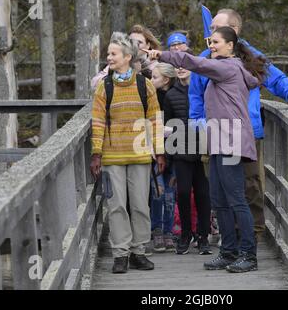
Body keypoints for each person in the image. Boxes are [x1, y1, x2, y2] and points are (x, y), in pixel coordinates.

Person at [144, 25, 267, 273]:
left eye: (216, 42)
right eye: (210, 43)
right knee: (219, 200)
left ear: (230, 46)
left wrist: (161, 55)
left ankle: (248, 255)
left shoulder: (228, 67)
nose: (211, 46)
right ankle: (228, 252)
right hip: (219, 141)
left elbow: (193, 63)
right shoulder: (223, 69)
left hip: (231, 142)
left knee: (236, 200)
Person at [189, 8, 288, 243]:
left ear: (232, 32)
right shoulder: (204, 59)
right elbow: (195, 96)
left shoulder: (250, 58)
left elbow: (274, 78)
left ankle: (252, 236)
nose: (210, 33)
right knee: (220, 188)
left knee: (249, 184)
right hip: (215, 133)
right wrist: (198, 123)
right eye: (211, 28)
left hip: (246, 131)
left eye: (215, 29)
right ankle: (230, 238)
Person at [90, 32, 165, 274]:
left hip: (141, 156)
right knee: (117, 206)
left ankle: (138, 252)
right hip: (112, 158)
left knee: (141, 205)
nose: (109, 57)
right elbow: (98, 121)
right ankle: (120, 254)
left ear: (127, 57)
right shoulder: (105, 87)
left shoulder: (145, 85)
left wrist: (160, 151)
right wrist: (96, 154)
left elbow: (155, 119)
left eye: (113, 54)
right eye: (109, 53)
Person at [163, 58, 212, 255]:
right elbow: (166, 125)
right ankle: (185, 234)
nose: (181, 69)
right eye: (177, 66)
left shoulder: (204, 90)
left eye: (185, 65)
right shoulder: (171, 95)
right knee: (183, 192)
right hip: (181, 150)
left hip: (203, 151)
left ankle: (203, 236)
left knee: (203, 194)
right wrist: (168, 153)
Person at [149, 63, 177, 253]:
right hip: (155, 151)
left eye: (154, 78)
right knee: (157, 192)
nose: (151, 81)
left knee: (170, 193)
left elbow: (181, 122)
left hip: (174, 151)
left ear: (166, 79)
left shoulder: (176, 96)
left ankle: (169, 231)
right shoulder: (150, 98)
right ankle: (156, 229)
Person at [91, 24, 161, 90]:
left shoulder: (155, 65)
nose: (135, 45)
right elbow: (94, 83)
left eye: (139, 42)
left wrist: (144, 68)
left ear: (148, 45)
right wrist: (116, 75)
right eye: (131, 41)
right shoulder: (119, 62)